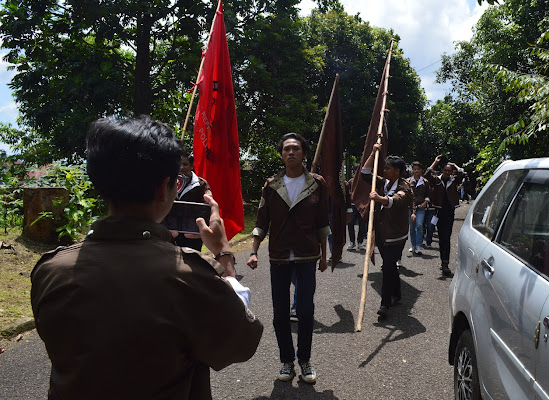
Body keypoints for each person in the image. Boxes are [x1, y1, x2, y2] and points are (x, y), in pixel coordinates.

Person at [30, 116, 263, 399]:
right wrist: (224, 258)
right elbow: (241, 343)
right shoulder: (189, 275)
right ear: (163, 187)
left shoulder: (50, 270)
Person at [247, 133, 330, 384]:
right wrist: (253, 250)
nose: (291, 153)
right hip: (279, 256)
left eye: (295, 149)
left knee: (305, 311)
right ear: (282, 154)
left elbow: (322, 223)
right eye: (286, 149)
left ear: (304, 153)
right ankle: (286, 361)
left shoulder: (317, 184)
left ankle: (304, 360)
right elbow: (262, 220)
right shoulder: (271, 185)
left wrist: (324, 257)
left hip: (307, 255)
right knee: (280, 313)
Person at [362, 143, 413, 318]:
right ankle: (397, 293)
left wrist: (379, 198)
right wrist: (373, 152)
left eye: (388, 168)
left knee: (388, 267)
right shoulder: (384, 182)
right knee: (390, 267)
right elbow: (365, 173)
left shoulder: (405, 187)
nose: (384, 170)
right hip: (382, 234)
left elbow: (396, 201)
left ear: (397, 171)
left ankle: (384, 304)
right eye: (383, 167)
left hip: (396, 236)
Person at [425, 155, 465, 276]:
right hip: (438, 212)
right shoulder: (436, 179)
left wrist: (454, 165)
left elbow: (462, 173)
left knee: (446, 238)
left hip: (449, 213)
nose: (447, 173)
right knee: (440, 237)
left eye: (449, 171)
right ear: (442, 170)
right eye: (445, 170)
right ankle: (443, 261)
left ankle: (445, 263)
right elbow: (426, 175)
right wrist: (435, 162)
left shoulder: (454, 180)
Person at [171, 150, 211, 250]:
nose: (181, 167)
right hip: (172, 232)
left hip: (192, 233)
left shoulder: (201, 184)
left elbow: (207, 206)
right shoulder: (169, 182)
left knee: (192, 261)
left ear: (192, 166)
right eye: (179, 164)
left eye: (185, 164)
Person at [408, 161, 429, 255]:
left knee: (419, 225)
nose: (416, 171)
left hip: (421, 207)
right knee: (412, 227)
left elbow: (428, 194)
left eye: (418, 169)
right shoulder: (408, 181)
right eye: (414, 169)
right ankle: (413, 245)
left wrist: (425, 202)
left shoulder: (425, 182)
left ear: (421, 170)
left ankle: (419, 245)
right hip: (410, 208)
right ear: (412, 170)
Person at [345, 176, 367, 251]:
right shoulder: (351, 181)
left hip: (362, 206)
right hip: (353, 205)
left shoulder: (365, 181)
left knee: (362, 224)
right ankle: (352, 242)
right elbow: (347, 192)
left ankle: (360, 242)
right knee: (350, 223)